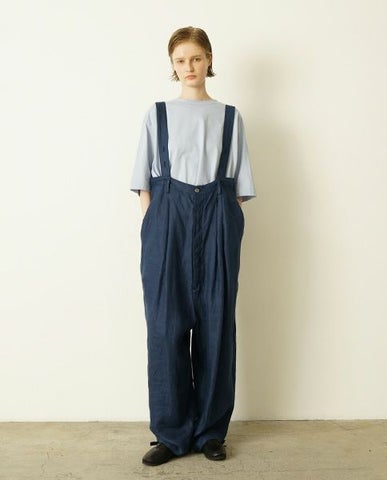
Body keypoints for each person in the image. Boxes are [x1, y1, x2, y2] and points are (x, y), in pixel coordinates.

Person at [130, 26, 256, 466]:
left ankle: (210, 433)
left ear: (209, 60)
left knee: (215, 327)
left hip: (218, 218)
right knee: (165, 328)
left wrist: (223, 222)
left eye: (197, 58)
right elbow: (143, 180)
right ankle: (170, 435)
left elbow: (239, 185)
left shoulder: (229, 116)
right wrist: (156, 225)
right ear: (172, 65)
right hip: (167, 223)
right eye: (181, 60)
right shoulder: (158, 114)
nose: (189, 67)